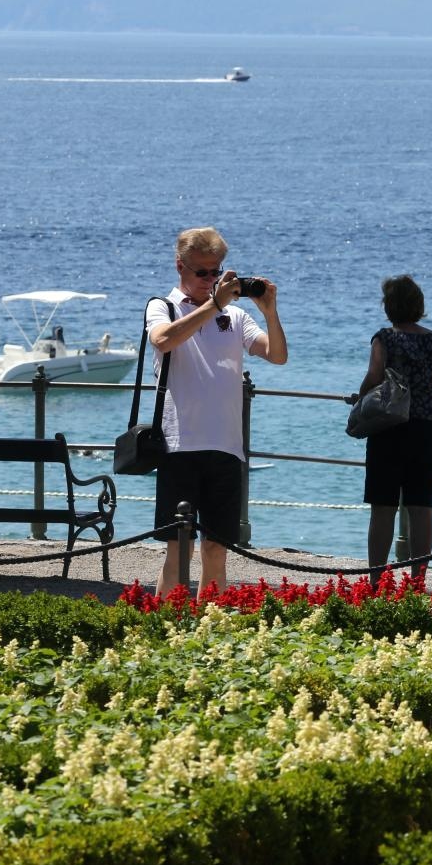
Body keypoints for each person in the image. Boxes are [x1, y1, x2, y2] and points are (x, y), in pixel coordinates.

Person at [146, 227, 287, 595]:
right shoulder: (163, 307)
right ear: (180, 265)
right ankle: (162, 622)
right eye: (201, 272)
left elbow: (277, 354)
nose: (209, 280)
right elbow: (164, 340)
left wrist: (270, 313)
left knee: (216, 550)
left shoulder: (235, 316)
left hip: (225, 447)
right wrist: (214, 305)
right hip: (179, 446)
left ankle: (211, 624)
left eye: (216, 271)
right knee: (179, 550)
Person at [359, 275, 432, 575]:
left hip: (388, 428)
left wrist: (360, 400)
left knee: (383, 508)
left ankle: (377, 579)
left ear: (389, 306)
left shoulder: (384, 338)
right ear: (418, 305)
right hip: (426, 430)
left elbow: (374, 376)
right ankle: (417, 580)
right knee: (421, 508)